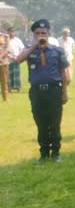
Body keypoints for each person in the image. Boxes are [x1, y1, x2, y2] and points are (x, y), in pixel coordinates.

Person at [14, 19, 69, 162]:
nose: (41, 36)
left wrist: (64, 92)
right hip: (37, 93)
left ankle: (56, 152)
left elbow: (64, 74)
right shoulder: (30, 50)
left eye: (43, 33)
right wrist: (34, 46)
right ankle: (44, 153)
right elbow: (17, 60)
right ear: (34, 35)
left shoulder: (57, 51)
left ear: (49, 33)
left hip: (54, 92)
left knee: (55, 123)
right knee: (41, 123)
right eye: (37, 33)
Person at [7, 27, 24, 91]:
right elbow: (3, 50)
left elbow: (22, 49)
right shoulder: (6, 40)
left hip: (17, 59)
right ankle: (9, 88)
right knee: (9, 74)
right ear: (7, 32)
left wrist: (18, 57)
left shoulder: (18, 40)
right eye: (10, 32)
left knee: (16, 74)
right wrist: (11, 57)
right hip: (8, 60)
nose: (11, 33)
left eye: (13, 32)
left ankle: (17, 87)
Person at [0, 34, 8, 101]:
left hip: (3, 63)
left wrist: (1, 57)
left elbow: (7, 49)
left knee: (4, 82)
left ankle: (5, 98)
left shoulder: (4, 37)